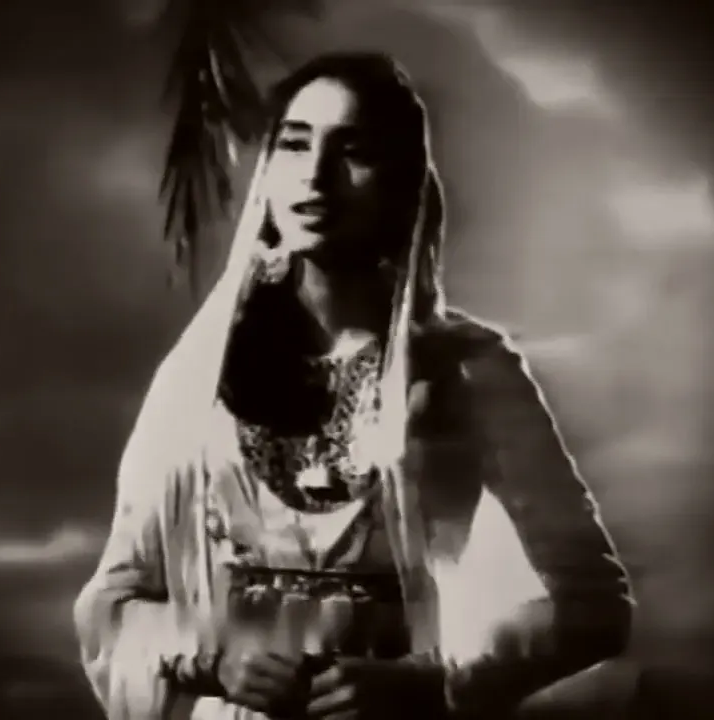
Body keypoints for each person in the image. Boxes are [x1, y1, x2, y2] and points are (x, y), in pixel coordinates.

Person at [74, 51, 634, 719]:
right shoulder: (201, 376)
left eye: (353, 151)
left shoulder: (464, 366)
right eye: (294, 144)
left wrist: (437, 684)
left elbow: (594, 604)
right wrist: (215, 657)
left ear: (401, 183)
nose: (315, 176)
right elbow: (114, 604)